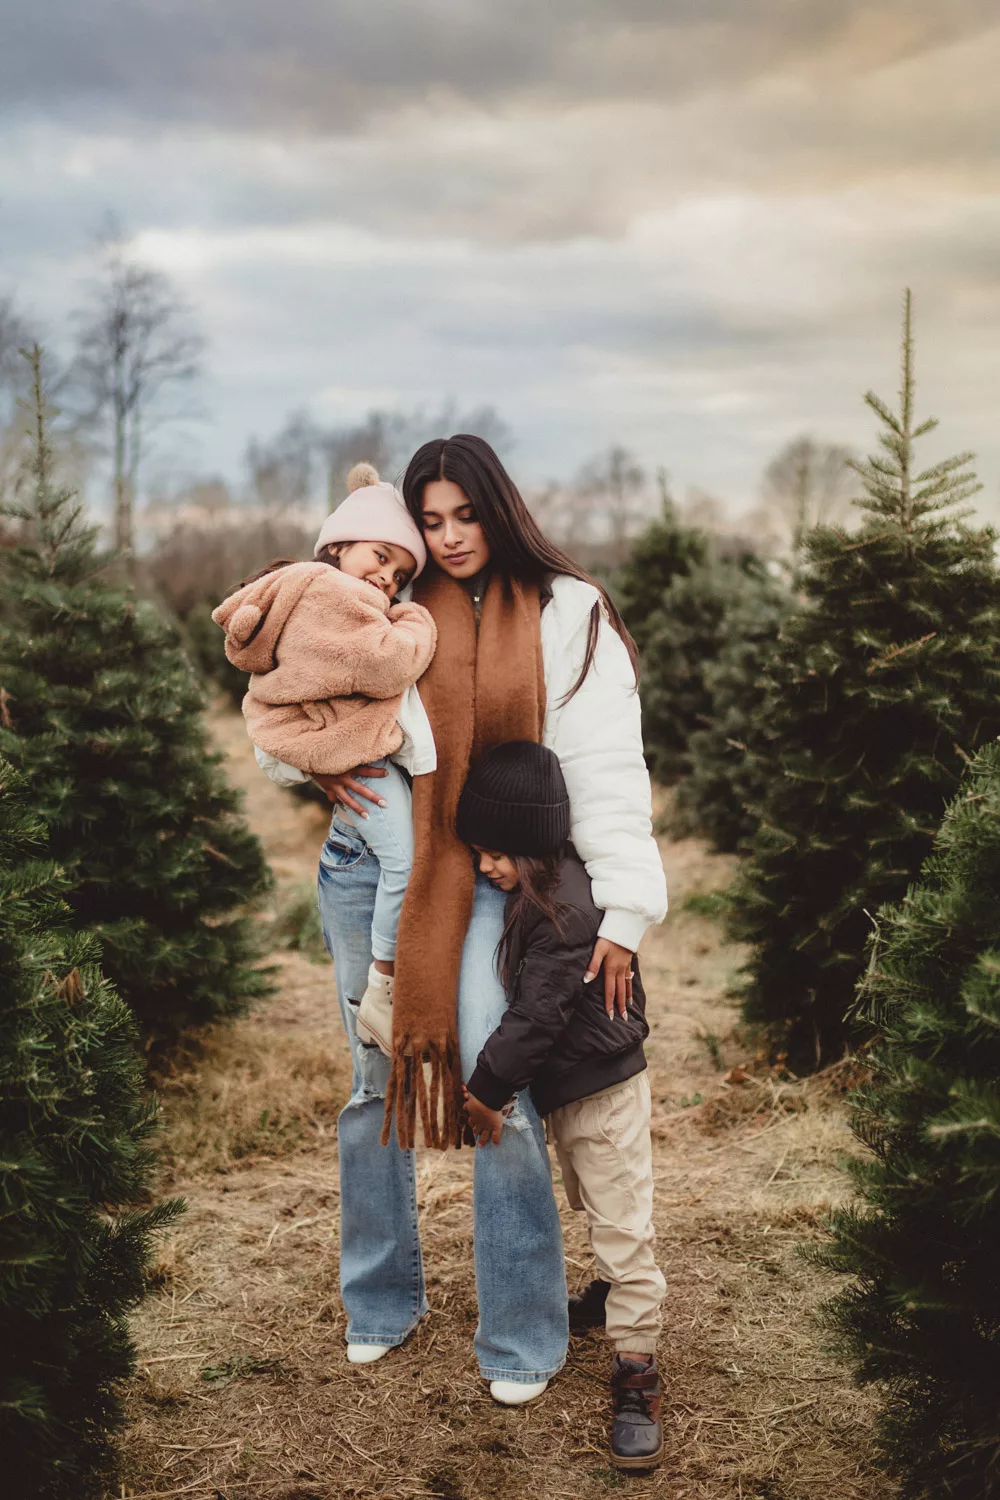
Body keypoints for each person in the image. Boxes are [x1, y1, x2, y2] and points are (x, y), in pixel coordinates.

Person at [259, 434, 667, 1406]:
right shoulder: (389, 607)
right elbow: (283, 712)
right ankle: (380, 1301)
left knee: (498, 1091)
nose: (446, 538)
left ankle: (522, 1332)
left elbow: (605, 772)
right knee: (372, 1083)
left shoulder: (567, 613)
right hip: (369, 869)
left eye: (465, 515)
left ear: (501, 510)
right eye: (429, 520)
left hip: (491, 879)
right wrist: (324, 764)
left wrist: (624, 909)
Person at [457, 740, 666, 1470]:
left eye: (494, 854)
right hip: (577, 1090)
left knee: (621, 1221)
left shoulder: (565, 915)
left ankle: (638, 1372)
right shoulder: (545, 891)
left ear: (531, 841)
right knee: (596, 1205)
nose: (485, 868)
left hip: (601, 1091)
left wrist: (484, 1093)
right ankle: (610, 1295)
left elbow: (536, 1018)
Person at [214, 463, 435, 1038]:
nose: (387, 578)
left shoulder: (304, 589)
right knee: (405, 864)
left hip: (344, 756)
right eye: (380, 556)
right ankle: (383, 989)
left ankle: (381, 988)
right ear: (337, 545)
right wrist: (415, 619)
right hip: (367, 763)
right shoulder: (332, 592)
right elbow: (387, 666)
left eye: (401, 574)